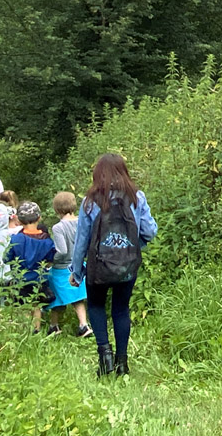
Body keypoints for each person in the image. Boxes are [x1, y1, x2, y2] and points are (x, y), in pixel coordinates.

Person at [70, 153, 158, 377]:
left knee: (97, 306)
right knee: (121, 309)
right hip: (127, 266)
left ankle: (104, 357)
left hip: (98, 266)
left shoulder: (90, 201)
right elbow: (150, 230)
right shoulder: (136, 197)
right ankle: (122, 363)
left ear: (97, 173)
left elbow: (82, 240)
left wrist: (77, 271)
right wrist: (132, 246)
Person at [5, 201, 56, 333]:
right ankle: (36, 329)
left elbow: (6, 258)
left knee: (24, 305)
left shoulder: (16, 239)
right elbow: (51, 259)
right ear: (39, 218)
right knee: (37, 305)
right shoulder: (47, 240)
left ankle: (26, 330)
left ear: (19, 220)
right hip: (40, 278)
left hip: (21, 279)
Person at [46, 191, 92, 337]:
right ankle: (83, 325)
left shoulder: (58, 228)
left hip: (61, 269)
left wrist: (50, 259)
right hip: (79, 266)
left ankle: (54, 326)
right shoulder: (81, 222)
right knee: (77, 298)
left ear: (57, 209)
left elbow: (62, 250)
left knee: (56, 298)